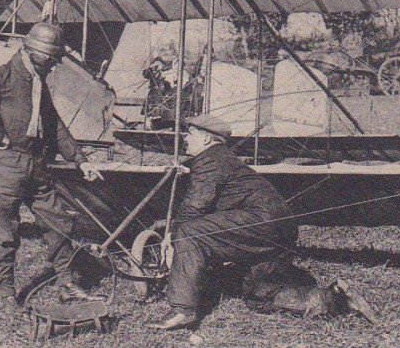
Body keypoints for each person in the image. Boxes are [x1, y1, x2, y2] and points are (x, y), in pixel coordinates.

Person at [146, 113, 372, 330]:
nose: (185, 138)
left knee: (190, 232)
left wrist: (173, 235)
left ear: (206, 138)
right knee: (259, 293)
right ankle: (334, 298)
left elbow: (196, 205)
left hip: (259, 221)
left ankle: (183, 310)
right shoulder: (225, 159)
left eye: (190, 133)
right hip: (281, 226)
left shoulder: (209, 160)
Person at [0, 22, 104, 309]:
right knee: (6, 230)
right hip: (5, 165)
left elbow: (55, 126)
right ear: (35, 52)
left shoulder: (39, 83)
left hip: (37, 165)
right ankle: (6, 292)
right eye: (51, 58)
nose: (54, 65)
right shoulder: (0, 76)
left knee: (57, 221)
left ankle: (67, 285)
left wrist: (80, 160)